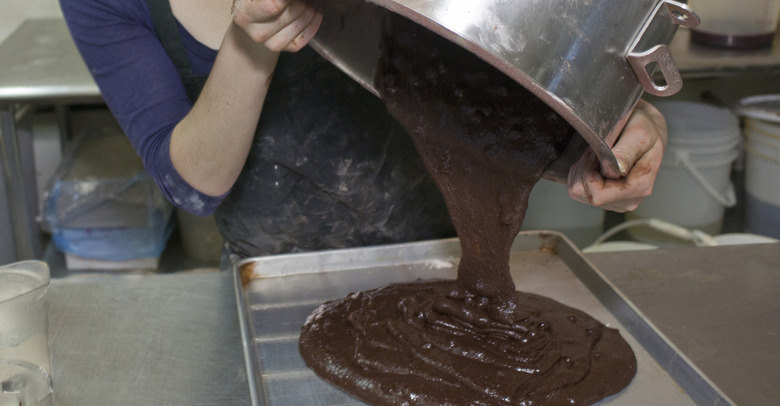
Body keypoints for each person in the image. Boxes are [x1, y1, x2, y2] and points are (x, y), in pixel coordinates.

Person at [59, 0, 667, 263]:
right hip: (272, 282)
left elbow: (510, 57)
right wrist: (252, 44)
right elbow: (194, 184)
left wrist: (608, 117)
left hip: (454, 259)